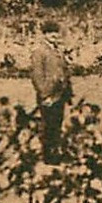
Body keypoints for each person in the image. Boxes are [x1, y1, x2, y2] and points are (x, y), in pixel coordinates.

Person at [30, 20, 73, 161]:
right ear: (44, 35)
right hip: (48, 94)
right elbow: (37, 75)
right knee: (49, 125)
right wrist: (44, 95)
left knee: (57, 124)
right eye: (50, 33)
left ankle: (56, 153)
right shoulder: (39, 51)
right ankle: (48, 156)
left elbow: (63, 71)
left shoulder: (57, 50)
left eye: (56, 33)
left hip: (59, 94)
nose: (54, 35)